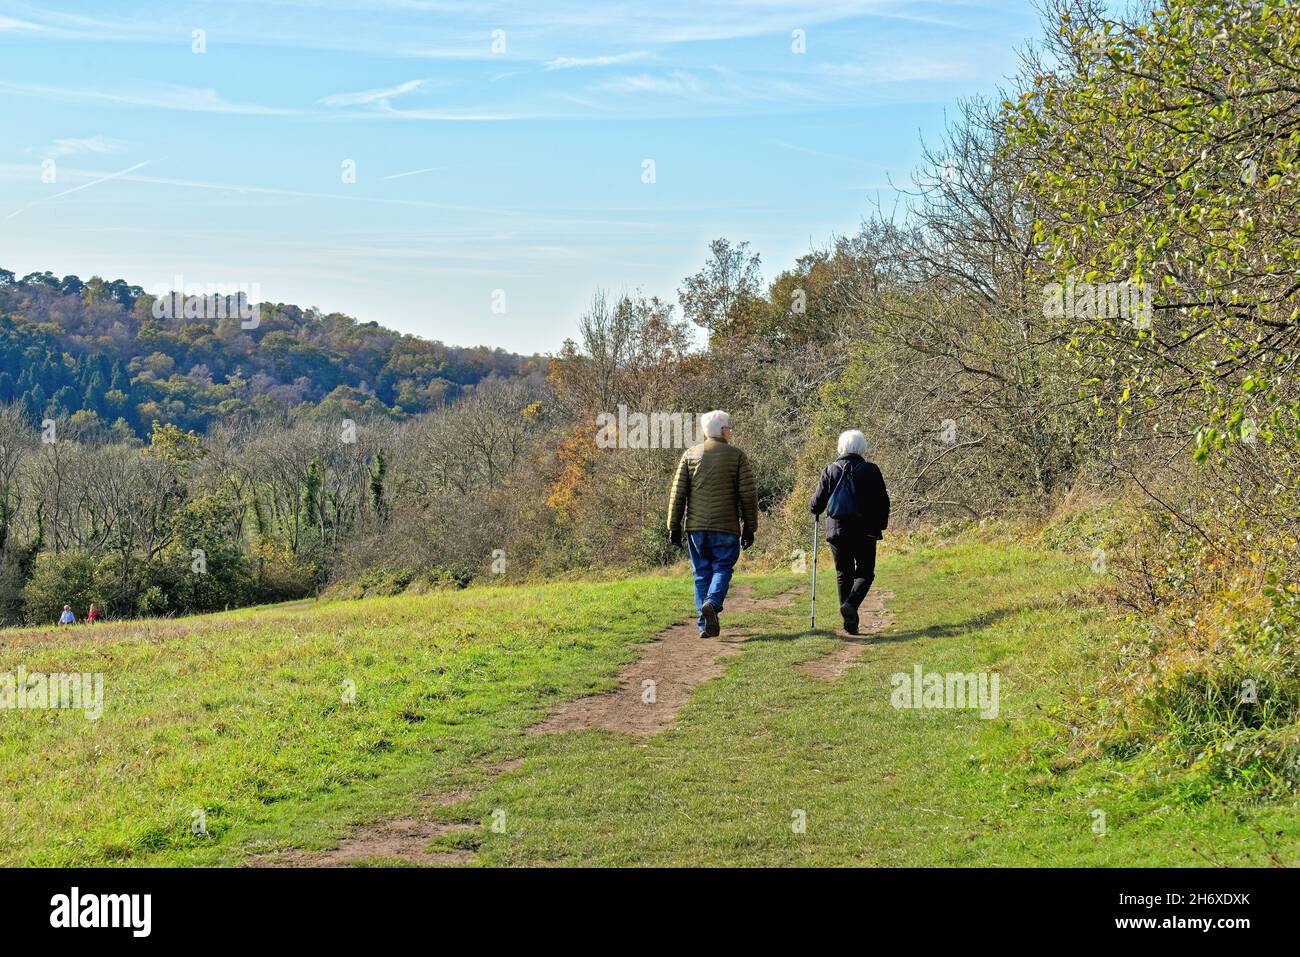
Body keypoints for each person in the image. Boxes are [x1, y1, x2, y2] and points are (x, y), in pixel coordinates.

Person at [666, 410, 759, 638]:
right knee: (723, 567)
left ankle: (703, 624)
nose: (731, 431)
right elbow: (748, 495)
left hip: (696, 529)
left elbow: (678, 494)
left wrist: (673, 526)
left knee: (701, 574)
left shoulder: (690, 455)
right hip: (726, 527)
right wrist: (750, 527)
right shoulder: (736, 456)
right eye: (729, 427)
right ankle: (712, 602)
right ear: (721, 430)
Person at [809, 429, 890, 635]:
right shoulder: (871, 470)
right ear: (861, 448)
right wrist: (880, 525)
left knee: (843, 573)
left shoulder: (830, 469)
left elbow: (816, 504)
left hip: (837, 531)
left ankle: (849, 621)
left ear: (841, 447)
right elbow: (882, 501)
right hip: (865, 531)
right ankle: (851, 605)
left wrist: (816, 508)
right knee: (865, 572)